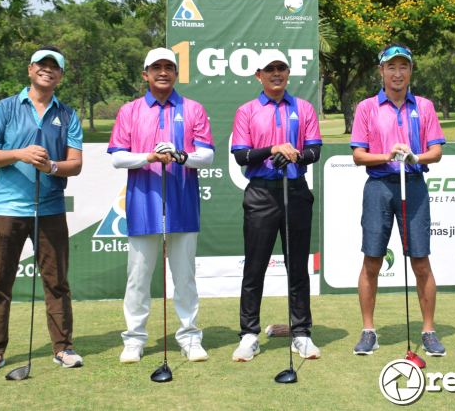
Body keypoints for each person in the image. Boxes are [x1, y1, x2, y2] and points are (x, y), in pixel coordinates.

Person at [0, 46, 84, 374]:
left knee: (56, 282)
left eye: (54, 67)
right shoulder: (7, 108)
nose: (47, 70)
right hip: (7, 209)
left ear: (60, 76)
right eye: (42, 65)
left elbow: (75, 165)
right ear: (30, 69)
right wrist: (20, 154)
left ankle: (63, 348)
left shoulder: (67, 115)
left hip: (49, 209)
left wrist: (51, 166)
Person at [108, 47, 215, 364]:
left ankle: (190, 336)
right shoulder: (130, 111)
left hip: (182, 202)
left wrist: (182, 155)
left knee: (185, 277)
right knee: (138, 277)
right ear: (146, 74)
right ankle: (135, 338)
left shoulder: (192, 109)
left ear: (176, 73)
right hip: (143, 203)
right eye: (157, 67)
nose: (163, 72)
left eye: (169, 66)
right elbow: (117, 158)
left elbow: (207, 155)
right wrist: (149, 157)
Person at [349, 43, 447, 357]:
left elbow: (437, 152)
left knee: (420, 261)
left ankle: (429, 330)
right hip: (379, 187)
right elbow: (358, 155)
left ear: (410, 71)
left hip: (414, 184)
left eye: (403, 66)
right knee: (372, 260)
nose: (397, 73)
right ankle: (368, 331)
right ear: (381, 71)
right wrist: (387, 156)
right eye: (391, 67)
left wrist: (415, 157)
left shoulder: (425, 106)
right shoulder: (366, 107)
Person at [230, 49, 323, 362]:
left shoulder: (304, 108)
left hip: (295, 191)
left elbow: (315, 151)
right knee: (254, 268)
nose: (276, 74)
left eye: (281, 68)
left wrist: (295, 154)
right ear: (259, 75)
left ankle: (301, 333)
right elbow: (241, 155)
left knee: (297, 267)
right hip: (260, 194)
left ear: (288, 73)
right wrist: (273, 149)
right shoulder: (247, 110)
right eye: (270, 69)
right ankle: (249, 335)